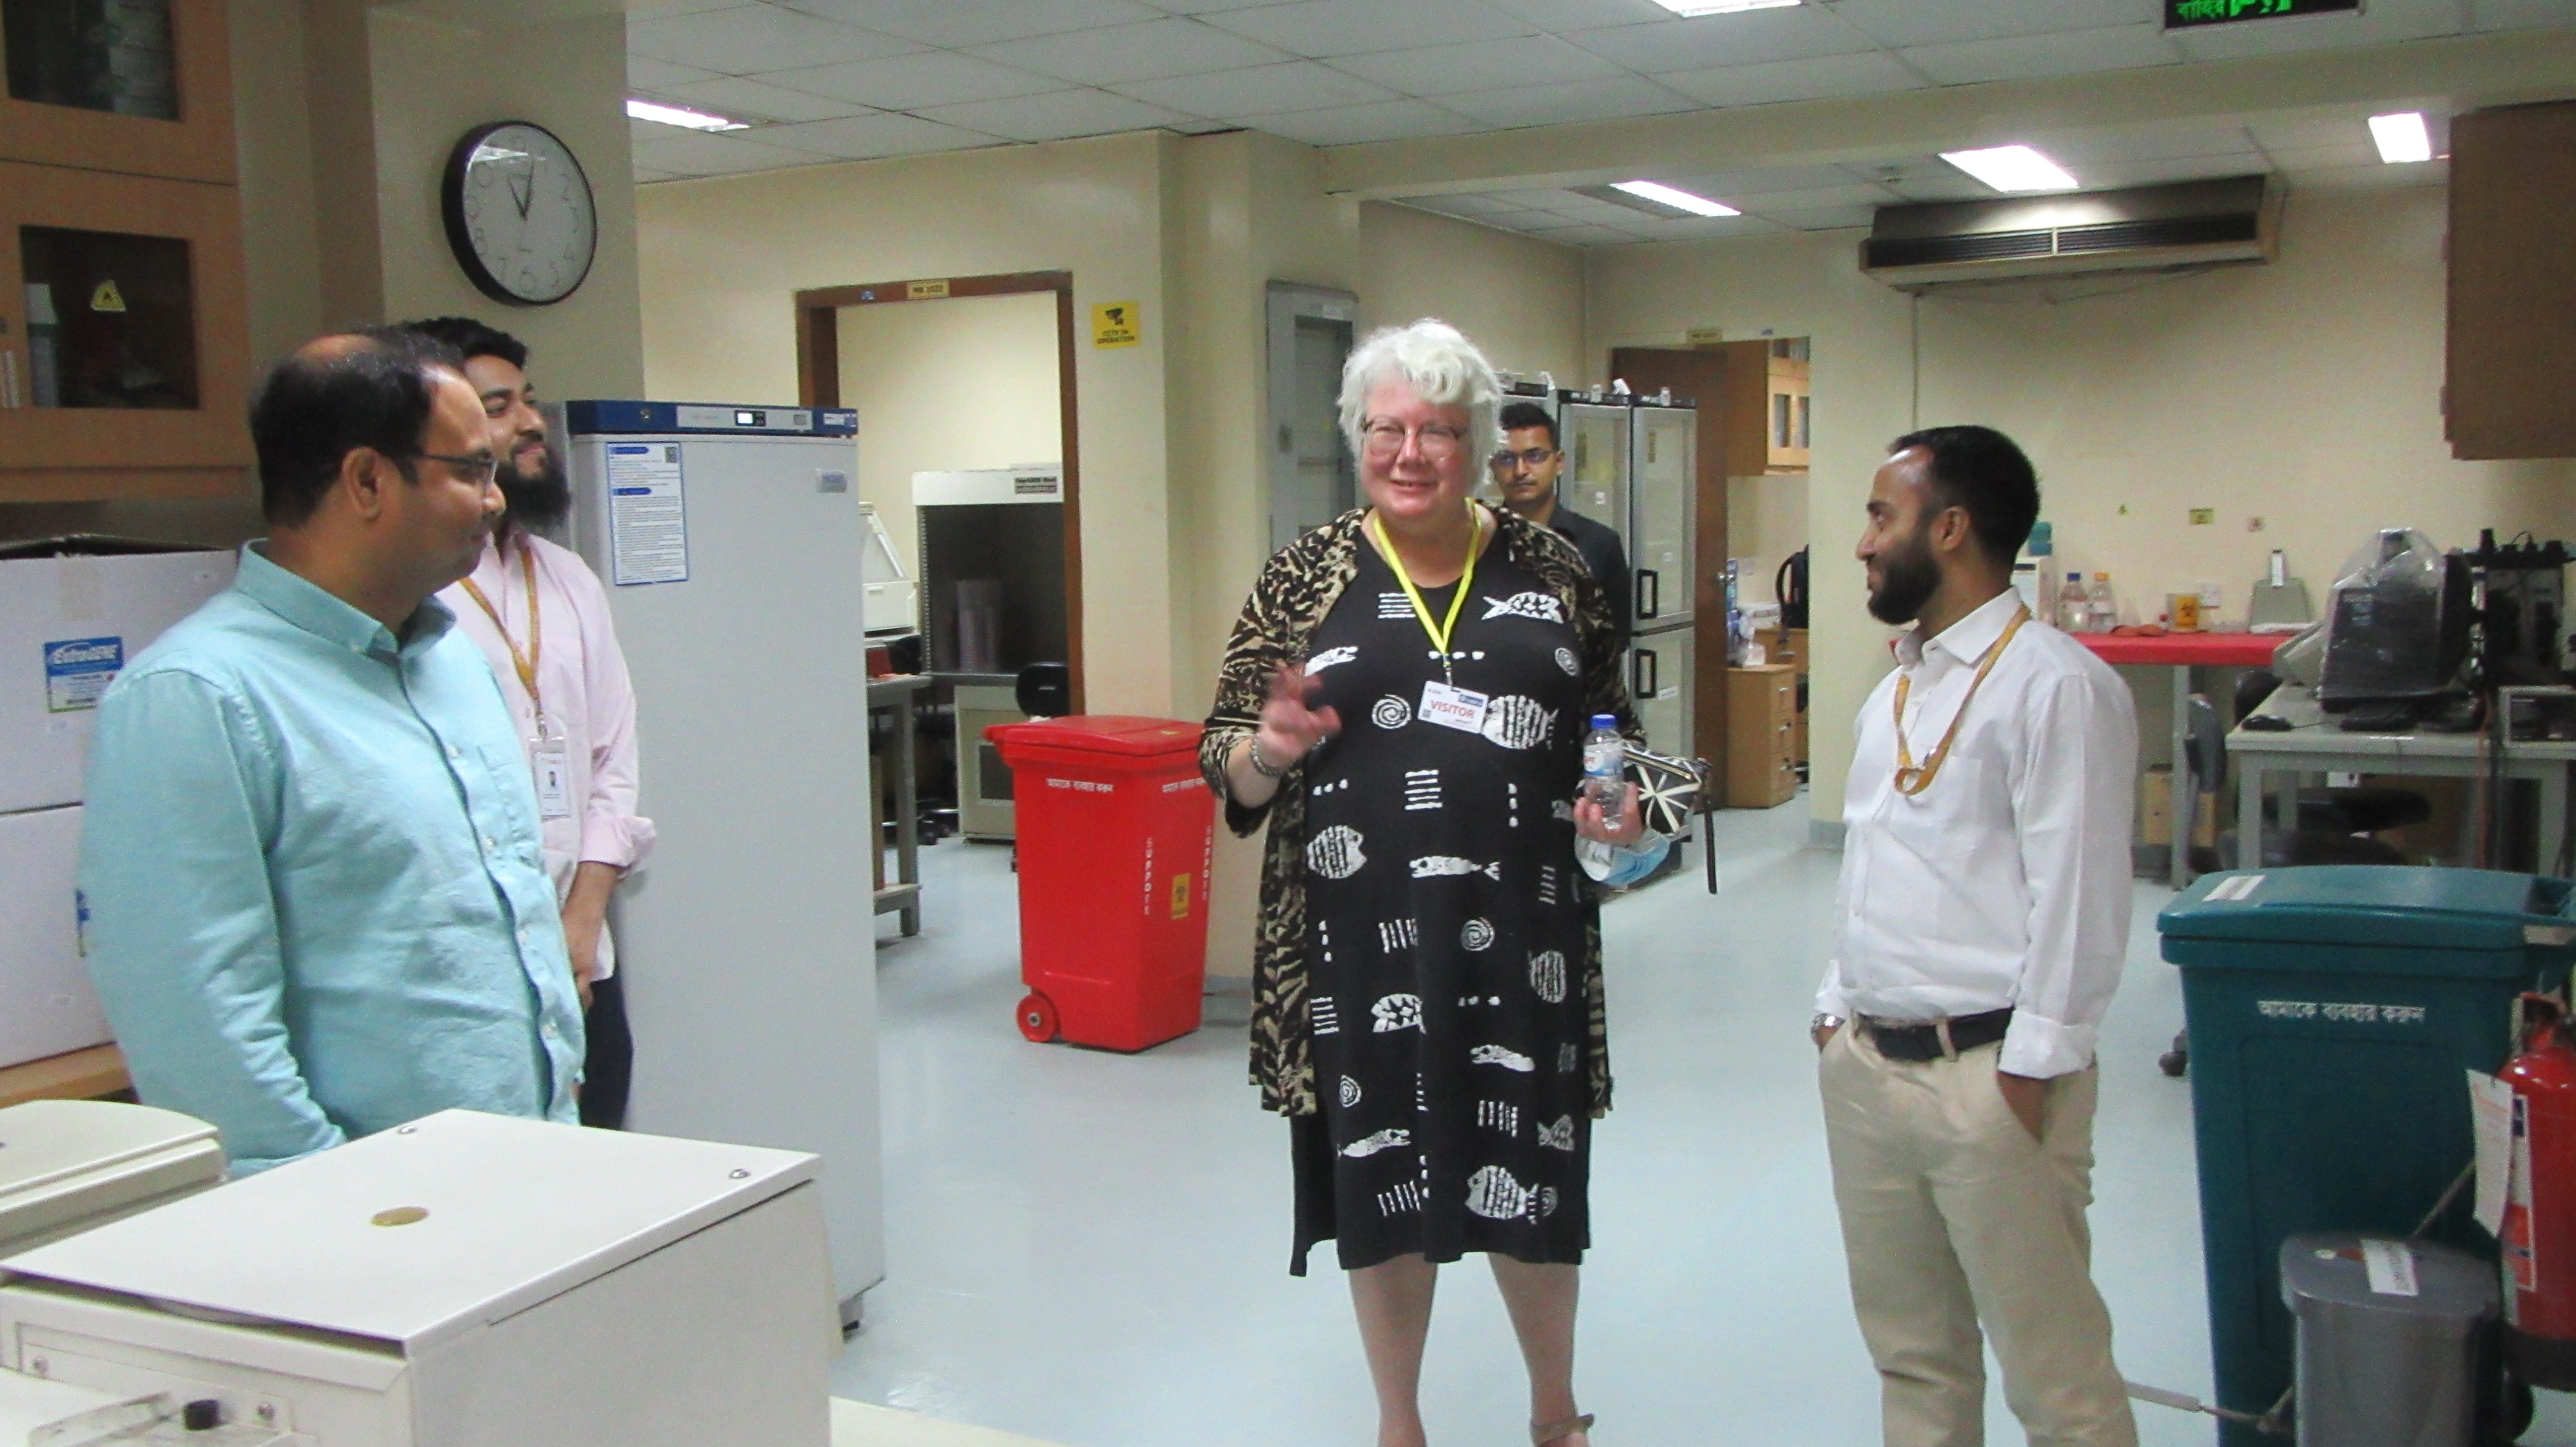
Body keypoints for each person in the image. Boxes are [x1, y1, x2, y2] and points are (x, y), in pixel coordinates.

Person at [1201, 319, 1666, 1447]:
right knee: (1384, 1185)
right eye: (1386, 430)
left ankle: (1554, 1416)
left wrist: (1621, 801)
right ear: (1358, 437)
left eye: (1438, 433)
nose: (1409, 453)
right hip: (1356, 951)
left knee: (1533, 1182)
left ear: (1482, 448)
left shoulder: (1555, 571)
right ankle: (1397, 1424)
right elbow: (1225, 764)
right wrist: (1267, 747)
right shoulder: (1304, 576)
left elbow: (1612, 734)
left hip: (1526, 939)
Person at [78, 329, 584, 1174]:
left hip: (527, 1165)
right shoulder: (197, 697)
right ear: (367, 480)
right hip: (368, 1212)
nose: (494, 500)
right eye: (470, 471)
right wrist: (333, 1201)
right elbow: (200, 1026)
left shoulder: (449, 657)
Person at [1811, 426, 2140, 1446]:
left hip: (1991, 1078)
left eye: (1881, 515)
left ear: (1949, 528)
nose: (1863, 542)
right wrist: (1836, 1009)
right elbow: (1879, 860)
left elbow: (2080, 898)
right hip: (1871, 1069)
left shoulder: (2058, 686)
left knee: (2060, 1385)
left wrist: (2030, 1076)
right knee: (1915, 1362)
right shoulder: (1897, 688)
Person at [407, 316, 652, 1131]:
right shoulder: (412, 592)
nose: (532, 422)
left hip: (586, 957)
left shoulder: (569, 577)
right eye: (500, 405)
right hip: (475, 976)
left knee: (603, 1175)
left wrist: (583, 921)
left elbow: (613, 758)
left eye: (530, 401)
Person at [1490, 400, 1630, 653]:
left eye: (1535, 456)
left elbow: (1614, 642)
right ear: (1492, 467)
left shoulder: (1599, 543)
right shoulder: (1477, 541)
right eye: (1507, 459)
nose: (1521, 471)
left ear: (1559, 462)